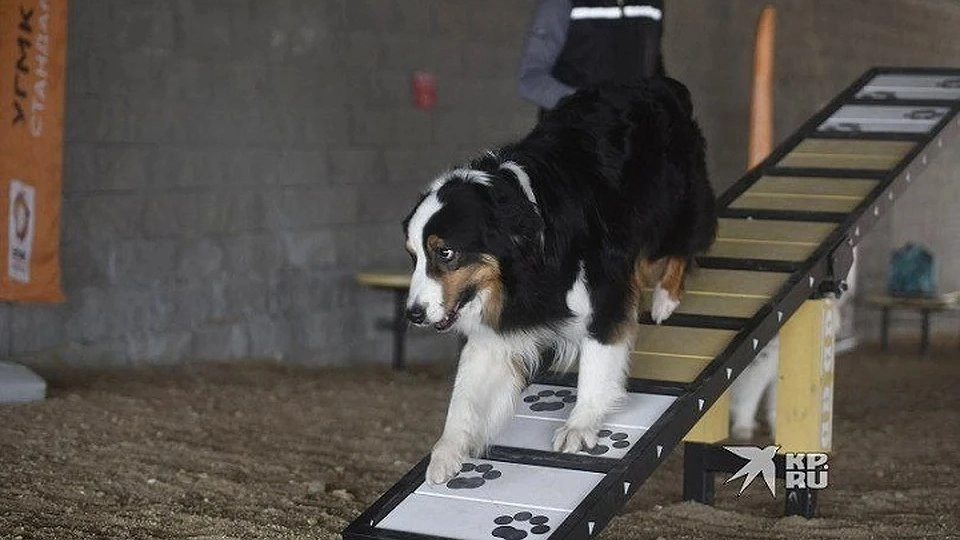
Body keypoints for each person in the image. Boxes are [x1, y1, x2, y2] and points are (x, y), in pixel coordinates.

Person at [518, 0, 666, 112]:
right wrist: (588, 107)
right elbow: (531, 78)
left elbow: (653, 68)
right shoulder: (561, 2)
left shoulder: (652, 3)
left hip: (630, 137)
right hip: (574, 136)